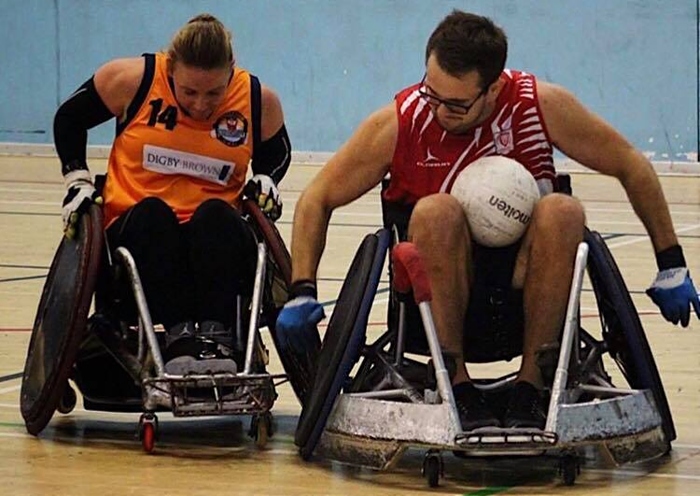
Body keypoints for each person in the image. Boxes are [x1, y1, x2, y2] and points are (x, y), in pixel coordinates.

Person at [276, 10, 700, 430]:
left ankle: (532, 388)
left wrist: (671, 261)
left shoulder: (539, 105)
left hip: (527, 283)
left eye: (457, 104)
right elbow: (317, 197)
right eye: (432, 93)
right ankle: (455, 387)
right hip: (441, 287)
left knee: (562, 209)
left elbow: (630, 164)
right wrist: (302, 287)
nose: (440, 110)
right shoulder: (402, 120)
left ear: (493, 87)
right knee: (434, 210)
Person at [54, 13, 291, 373]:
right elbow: (69, 119)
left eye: (214, 92)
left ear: (231, 72)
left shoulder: (258, 100)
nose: (201, 105)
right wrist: (77, 179)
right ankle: (179, 335)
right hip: (136, 231)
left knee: (217, 215)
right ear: (170, 71)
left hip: (215, 239)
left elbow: (278, 153)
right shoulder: (132, 80)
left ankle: (216, 334)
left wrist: (266, 178)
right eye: (189, 91)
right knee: (154, 215)